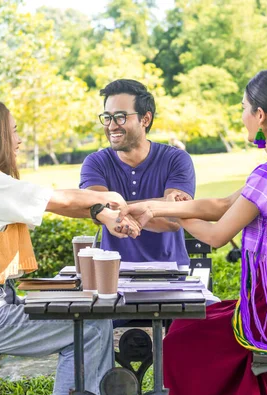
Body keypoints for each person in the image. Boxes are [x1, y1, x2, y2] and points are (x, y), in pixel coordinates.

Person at [118, 69, 267, 395]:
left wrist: (174, 217)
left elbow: (216, 235)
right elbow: (221, 205)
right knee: (187, 326)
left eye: (243, 107)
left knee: (180, 340)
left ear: (260, 116)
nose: (241, 116)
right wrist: (155, 207)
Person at [0, 100, 141, 395]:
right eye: (14, 132)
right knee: (89, 327)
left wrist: (99, 212)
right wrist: (106, 198)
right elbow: (55, 199)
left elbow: (49, 204)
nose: (19, 140)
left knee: (90, 321)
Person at [79, 79, 196, 268]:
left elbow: (173, 218)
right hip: (114, 275)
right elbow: (94, 209)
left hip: (171, 273)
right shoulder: (96, 162)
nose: (111, 125)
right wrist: (159, 205)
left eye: (121, 116)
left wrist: (111, 209)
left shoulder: (176, 160)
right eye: (107, 117)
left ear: (145, 119)